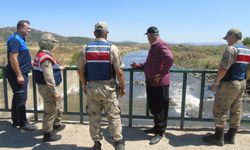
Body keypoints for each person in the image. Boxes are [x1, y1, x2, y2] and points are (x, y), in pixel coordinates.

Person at [77, 22, 126, 150]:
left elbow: (80, 69)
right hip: (109, 88)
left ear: (94, 33)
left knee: (94, 116)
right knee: (113, 116)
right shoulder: (112, 48)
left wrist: (84, 84)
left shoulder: (85, 48)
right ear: (107, 33)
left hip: (92, 88)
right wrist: (123, 87)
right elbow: (119, 71)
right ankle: (118, 143)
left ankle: (97, 143)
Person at [203, 28, 249, 146]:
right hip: (242, 83)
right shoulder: (247, 50)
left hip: (229, 84)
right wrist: (244, 80)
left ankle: (218, 137)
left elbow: (224, 69)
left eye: (227, 38)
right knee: (236, 109)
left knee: (220, 110)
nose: (226, 41)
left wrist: (216, 83)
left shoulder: (231, 49)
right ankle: (231, 136)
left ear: (232, 36)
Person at [131, 26, 173, 145]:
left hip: (160, 83)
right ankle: (156, 127)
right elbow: (150, 63)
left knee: (160, 108)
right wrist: (138, 66)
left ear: (152, 35)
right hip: (151, 83)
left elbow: (169, 59)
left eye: (148, 36)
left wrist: (161, 74)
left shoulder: (160, 45)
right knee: (154, 107)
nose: (147, 38)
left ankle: (160, 132)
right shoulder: (154, 46)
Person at [33, 33, 66, 142]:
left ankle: (55, 125)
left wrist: (60, 67)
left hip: (45, 87)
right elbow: (48, 76)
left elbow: (50, 69)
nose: (53, 45)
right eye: (52, 42)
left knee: (56, 106)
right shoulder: (45, 57)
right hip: (48, 88)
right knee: (50, 110)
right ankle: (47, 134)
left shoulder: (41, 54)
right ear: (46, 43)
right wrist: (55, 92)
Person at [6, 20, 37, 131]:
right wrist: (19, 75)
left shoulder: (21, 38)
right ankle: (23, 123)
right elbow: (13, 58)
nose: (29, 30)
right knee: (21, 98)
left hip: (21, 72)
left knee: (17, 97)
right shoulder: (14, 40)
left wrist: (30, 63)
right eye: (27, 28)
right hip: (17, 74)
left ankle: (16, 121)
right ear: (20, 28)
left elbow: (21, 56)